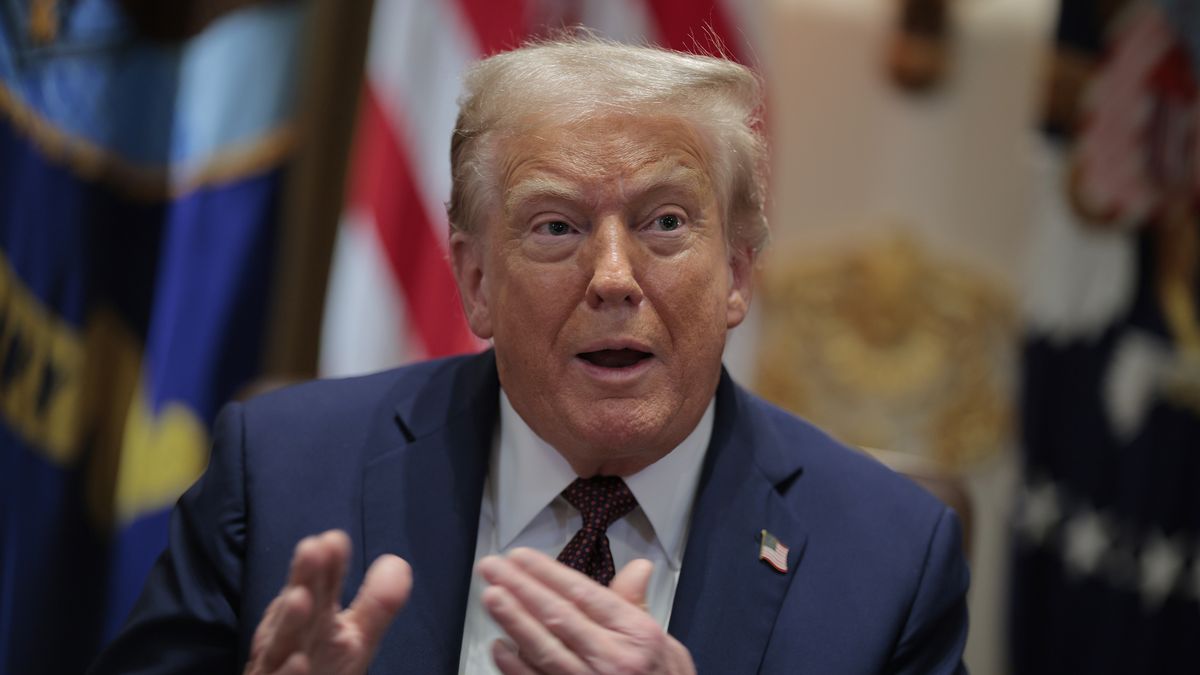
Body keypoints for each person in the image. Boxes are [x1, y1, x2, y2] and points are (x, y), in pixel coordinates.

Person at [91, 36, 969, 675]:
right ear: (475, 281)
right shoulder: (279, 476)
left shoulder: (889, 560)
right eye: (557, 226)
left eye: (666, 222)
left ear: (738, 272)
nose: (615, 278)